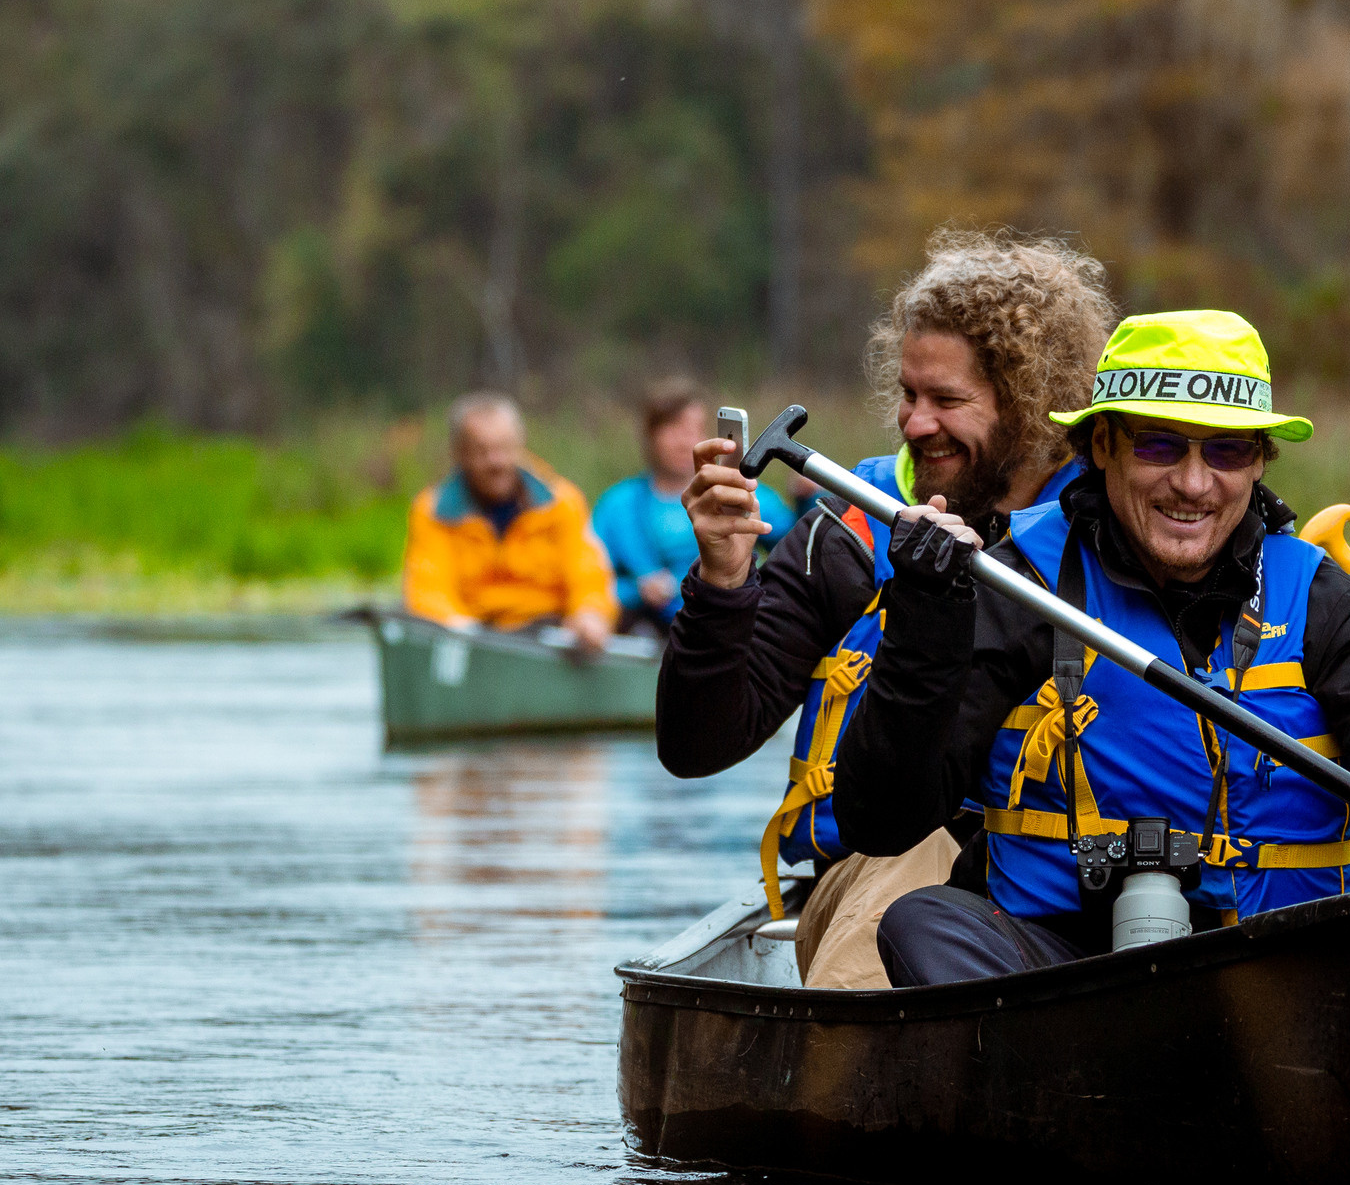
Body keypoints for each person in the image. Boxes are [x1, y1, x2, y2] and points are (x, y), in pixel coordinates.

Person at [829, 307, 1350, 988]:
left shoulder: (1320, 595)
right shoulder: (1019, 584)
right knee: (923, 921)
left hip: (1296, 968)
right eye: (1160, 445)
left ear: (1258, 462)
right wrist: (926, 628)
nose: (1193, 484)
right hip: (1071, 978)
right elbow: (882, 818)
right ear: (1102, 445)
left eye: (1224, 453)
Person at [656, 232, 1120, 987]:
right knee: (920, 856)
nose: (913, 423)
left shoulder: (1112, 536)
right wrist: (722, 579)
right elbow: (697, 743)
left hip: (1062, 898)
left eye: (947, 400)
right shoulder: (850, 532)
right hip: (881, 868)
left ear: (1035, 404)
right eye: (908, 394)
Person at [402, 393, 615, 653]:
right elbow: (428, 589)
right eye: (482, 451)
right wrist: (462, 631)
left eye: (504, 448)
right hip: (472, 635)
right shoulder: (432, 511)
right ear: (459, 454)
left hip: (550, 634)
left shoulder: (562, 502)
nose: (496, 462)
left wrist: (590, 614)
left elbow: (588, 573)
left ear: (520, 445)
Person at [590, 379, 795, 635]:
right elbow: (586, 579)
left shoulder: (738, 491)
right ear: (651, 435)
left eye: (694, 430)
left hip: (720, 625)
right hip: (644, 630)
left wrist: (806, 498)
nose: (684, 441)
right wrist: (637, 590)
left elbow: (797, 547)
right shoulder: (619, 505)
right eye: (674, 429)